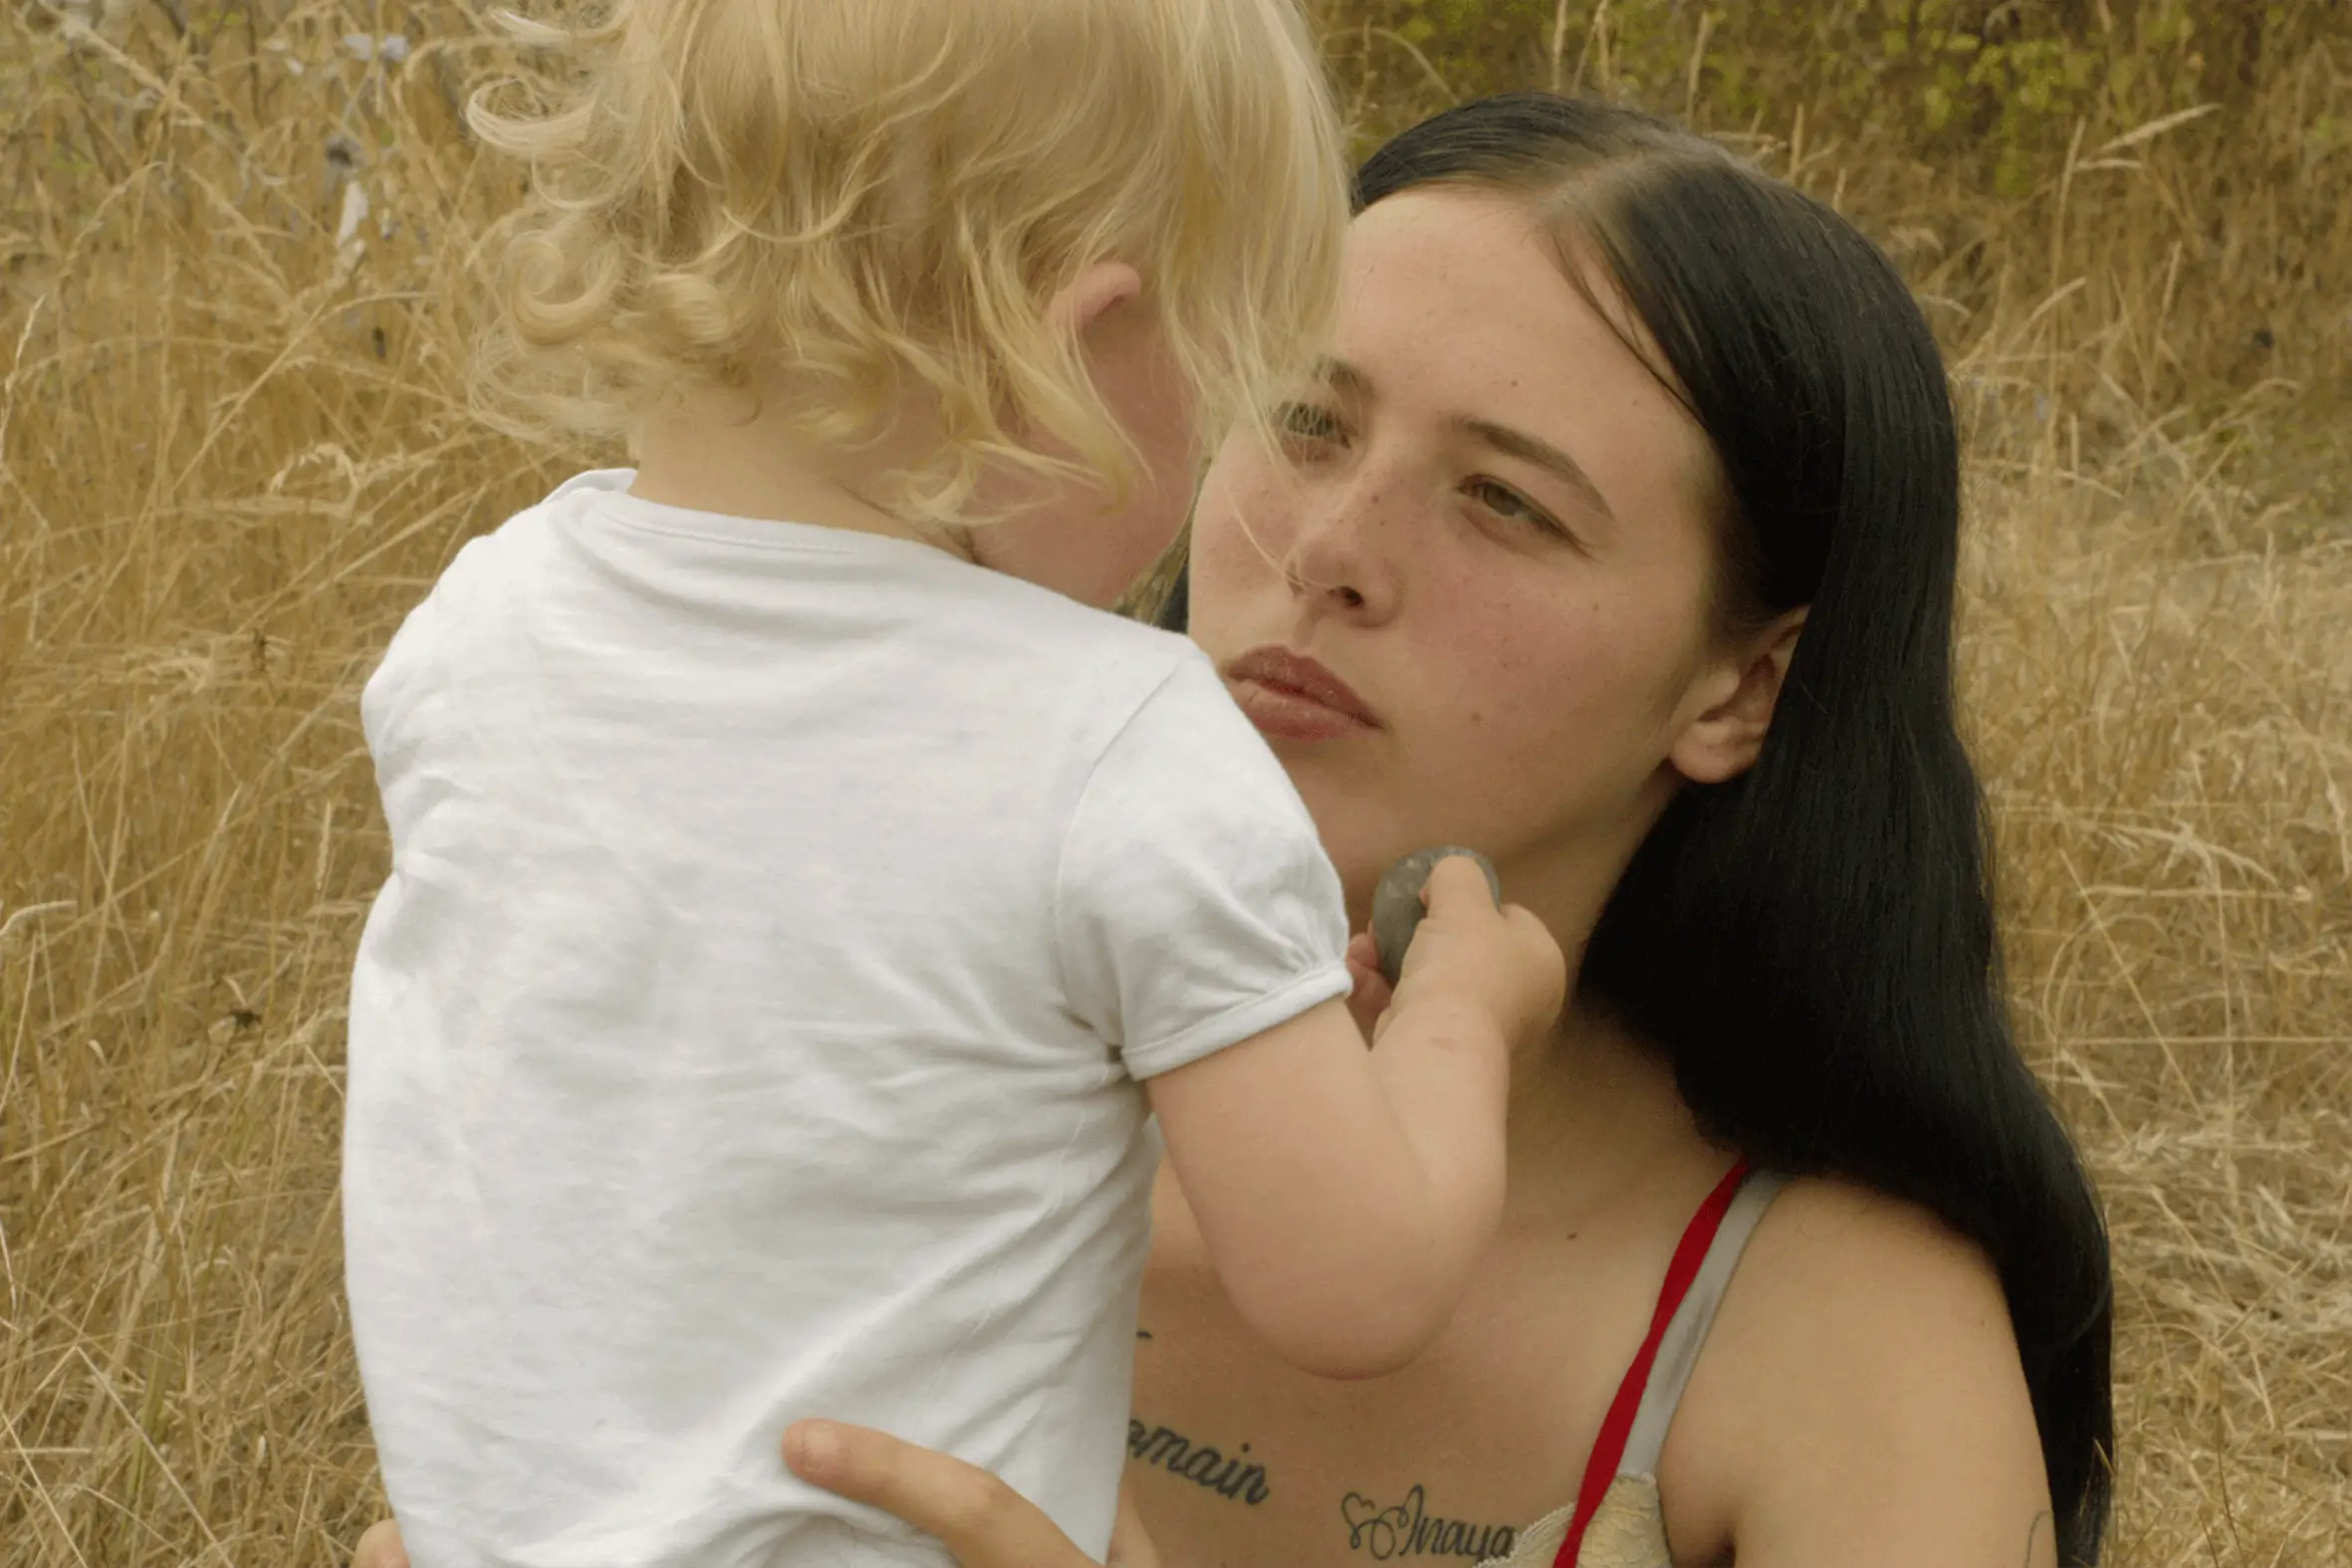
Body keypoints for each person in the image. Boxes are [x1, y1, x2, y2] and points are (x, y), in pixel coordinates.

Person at [352, 91, 2116, 1568]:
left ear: (1739, 687)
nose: (1327, 542)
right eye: (1297, 415)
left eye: (1505, 501)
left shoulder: (1841, 1344)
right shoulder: (836, 1055)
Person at [341, 7, 1570, 1566]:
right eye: (1229, 387)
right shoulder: (1119, 741)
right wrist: (1468, 1008)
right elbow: (1358, 1281)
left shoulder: (476, 633)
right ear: (1073, 343)